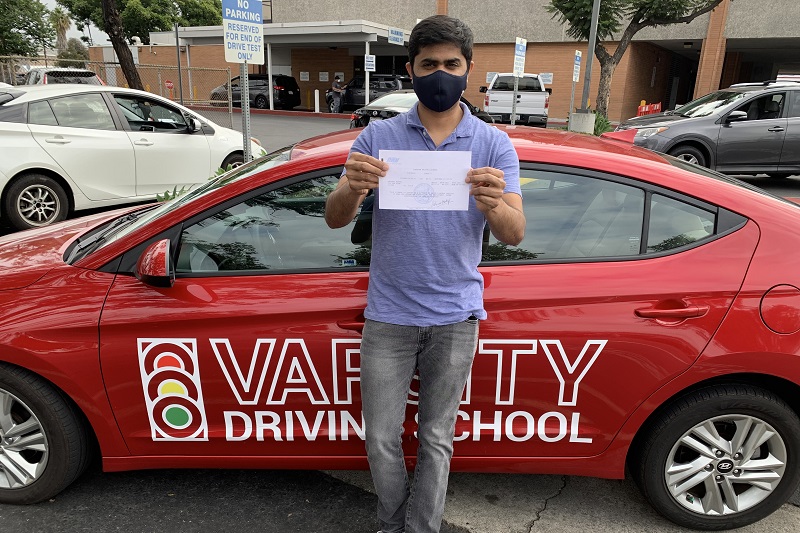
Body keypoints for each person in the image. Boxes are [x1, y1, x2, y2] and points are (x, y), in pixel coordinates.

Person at [324, 15, 525, 533]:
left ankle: (422, 529)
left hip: (456, 316)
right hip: (388, 315)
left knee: (437, 437)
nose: (441, 73)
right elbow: (335, 217)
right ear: (411, 70)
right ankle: (391, 523)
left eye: (451, 64)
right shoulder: (379, 136)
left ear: (468, 70)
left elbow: (514, 232)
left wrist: (493, 203)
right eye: (429, 64)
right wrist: (352, 186)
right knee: (380, 438)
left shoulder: (493, 145)